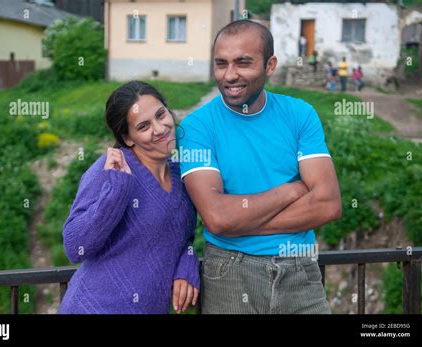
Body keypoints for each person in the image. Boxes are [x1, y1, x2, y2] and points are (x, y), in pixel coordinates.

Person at [178, 20, 342, 314]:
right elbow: (216, 218)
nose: (230, 75)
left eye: (243, 63)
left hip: (300, 272)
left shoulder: (300, 114)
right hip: (230, 272)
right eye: (221, 63)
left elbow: (328, 205)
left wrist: (239, 222)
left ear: (270, 65)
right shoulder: (195, 128)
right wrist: (292, 191)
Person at [59, 81, 200, 314]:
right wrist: (117, 191)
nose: (160, 128)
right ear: (128, 138)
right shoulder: (110, 170)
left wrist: (187, 263)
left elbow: (182, 237)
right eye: (144, 126)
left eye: (160, 115)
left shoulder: (181, 174)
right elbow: (75, 247)